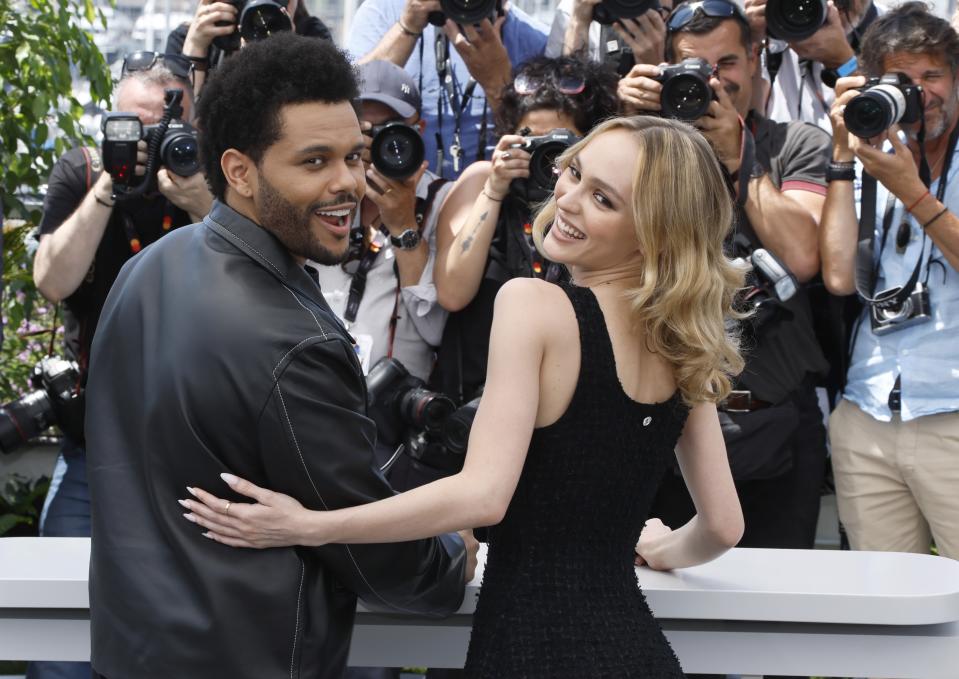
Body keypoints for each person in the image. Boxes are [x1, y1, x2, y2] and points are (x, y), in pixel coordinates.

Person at [182, 115, 747, 677]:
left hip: (532, 654)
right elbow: (722, 526)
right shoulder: (682, 342)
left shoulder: (535, 304)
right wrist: (661, 548)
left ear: (653, 232)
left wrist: (309, 525)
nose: (568, 200)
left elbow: (483, 496)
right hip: (636, 653)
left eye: (603, 199)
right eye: (573, 172)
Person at [84, 34, 475, 679]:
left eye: (354, 155)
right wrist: (454, 555)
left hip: (131, 655)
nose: (348, 182)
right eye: (314, 161)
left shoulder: (148, 269)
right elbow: (367, 543)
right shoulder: (297, 341)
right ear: (239, 171)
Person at [620, 0, 832, 556]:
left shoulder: (796, 144)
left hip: (777, 419)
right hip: (665, 426)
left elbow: (804, 256)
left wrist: (741, 157)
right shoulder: (643, 151)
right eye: (694, 67)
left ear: (757, 57)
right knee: (660, 596)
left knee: (782, 607)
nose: (712, 82)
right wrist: (623, 131)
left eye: (728, 64)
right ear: (665, 70)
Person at [27, 59, 209, 679]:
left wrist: (202, 203)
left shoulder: (202, 174)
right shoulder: (82, 173)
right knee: (62, 629)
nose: (145, 141)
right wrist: (109, 182)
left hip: (191, 446)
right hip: (95, 439)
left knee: (179, 629)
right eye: (130, 126)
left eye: (159, 125)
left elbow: (262, 278)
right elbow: (52, 281)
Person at [820, 2, 959, 562]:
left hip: (951, 409)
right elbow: (835, 275)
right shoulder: (869, 157)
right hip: (868, 411)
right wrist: (839, 154)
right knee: (884, 606)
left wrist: (914, 193)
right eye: (903, 80)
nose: (921, 94)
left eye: (933, 76)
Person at [430, 55, 620, 403]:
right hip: (473, 401)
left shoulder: (604, 205)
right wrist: (494, 190)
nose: (546, 158)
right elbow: (452, 292)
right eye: (531, 140)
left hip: (566, 403)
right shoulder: (483, 182)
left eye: (560, 145)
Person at [312, 59, 452, 384]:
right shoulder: (318, 190)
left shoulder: (442, 200)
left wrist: (404, 225)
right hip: (317, 388)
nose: (376, 144)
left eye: (390, 129)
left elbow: (435, 330)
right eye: (363, 130)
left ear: (418, 131)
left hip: (396, 409)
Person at [346, 0, 548, 178]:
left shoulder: (536, 40)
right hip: (396, 189)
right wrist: (406, 29)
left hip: (493, 201)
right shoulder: (384, 12)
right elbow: (345, 104)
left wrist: (498, 85)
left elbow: (543, 151)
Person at [745, 0, 880, 132]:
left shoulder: (892, 34)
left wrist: (844, 63)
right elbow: (751, 129)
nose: (832, 6)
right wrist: (749, 41)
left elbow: (886, 134)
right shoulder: (779, 21)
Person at [165, 0, 332, 96]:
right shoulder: (186, 38)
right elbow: (177, 121)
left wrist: (287, 49)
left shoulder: (311, 35)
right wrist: (195, 49)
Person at [547, 0, 674, 68]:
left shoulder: (687, 13)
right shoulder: (573, 8)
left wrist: (655, 65)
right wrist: (579, 23)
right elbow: (563, 92)